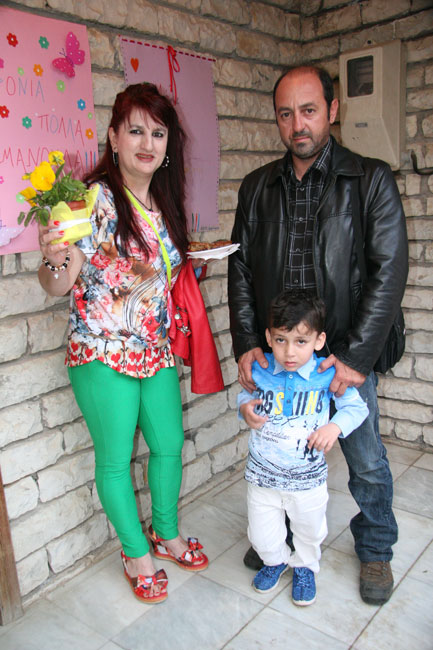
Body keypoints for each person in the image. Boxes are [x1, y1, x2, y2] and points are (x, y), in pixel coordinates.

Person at [228, 65, 408, 605]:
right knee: (280, 441)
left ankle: (375, 547)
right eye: (285, 114)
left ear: (332, 110)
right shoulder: (258, 187)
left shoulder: (370, 180)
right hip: (281, 353)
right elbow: (240, 271)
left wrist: (354, 359)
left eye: (308, 111)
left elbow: (388, 273)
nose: (297, 125)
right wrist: (247, 342)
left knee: (365, 457)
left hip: (341, 354)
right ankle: (277, 540)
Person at [37, 83, 212, 604]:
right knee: (115, 460)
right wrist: (54, 255)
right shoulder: (90, 198)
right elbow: (57, 283)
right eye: (135, 130)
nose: (147, 143)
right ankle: (136, 553)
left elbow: (155, 274)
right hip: (101, 350)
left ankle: (166, 534)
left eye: (158, 133)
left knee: (169, 445)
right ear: (113, 137)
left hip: (154, 349)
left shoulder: (162, 202)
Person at [238, 289, 368, 606]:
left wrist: (334, 427)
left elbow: (356, 408)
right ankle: (276, 560)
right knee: (261, 535)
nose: (289, 352)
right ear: (268, 337)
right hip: (263, 477)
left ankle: (304, 566)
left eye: (300, 341)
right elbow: (245, 396)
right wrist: (244, 408)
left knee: (309, 531)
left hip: (307, 480)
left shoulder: (326, 374)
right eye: (281, 340)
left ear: (319, 340)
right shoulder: (260, 369)